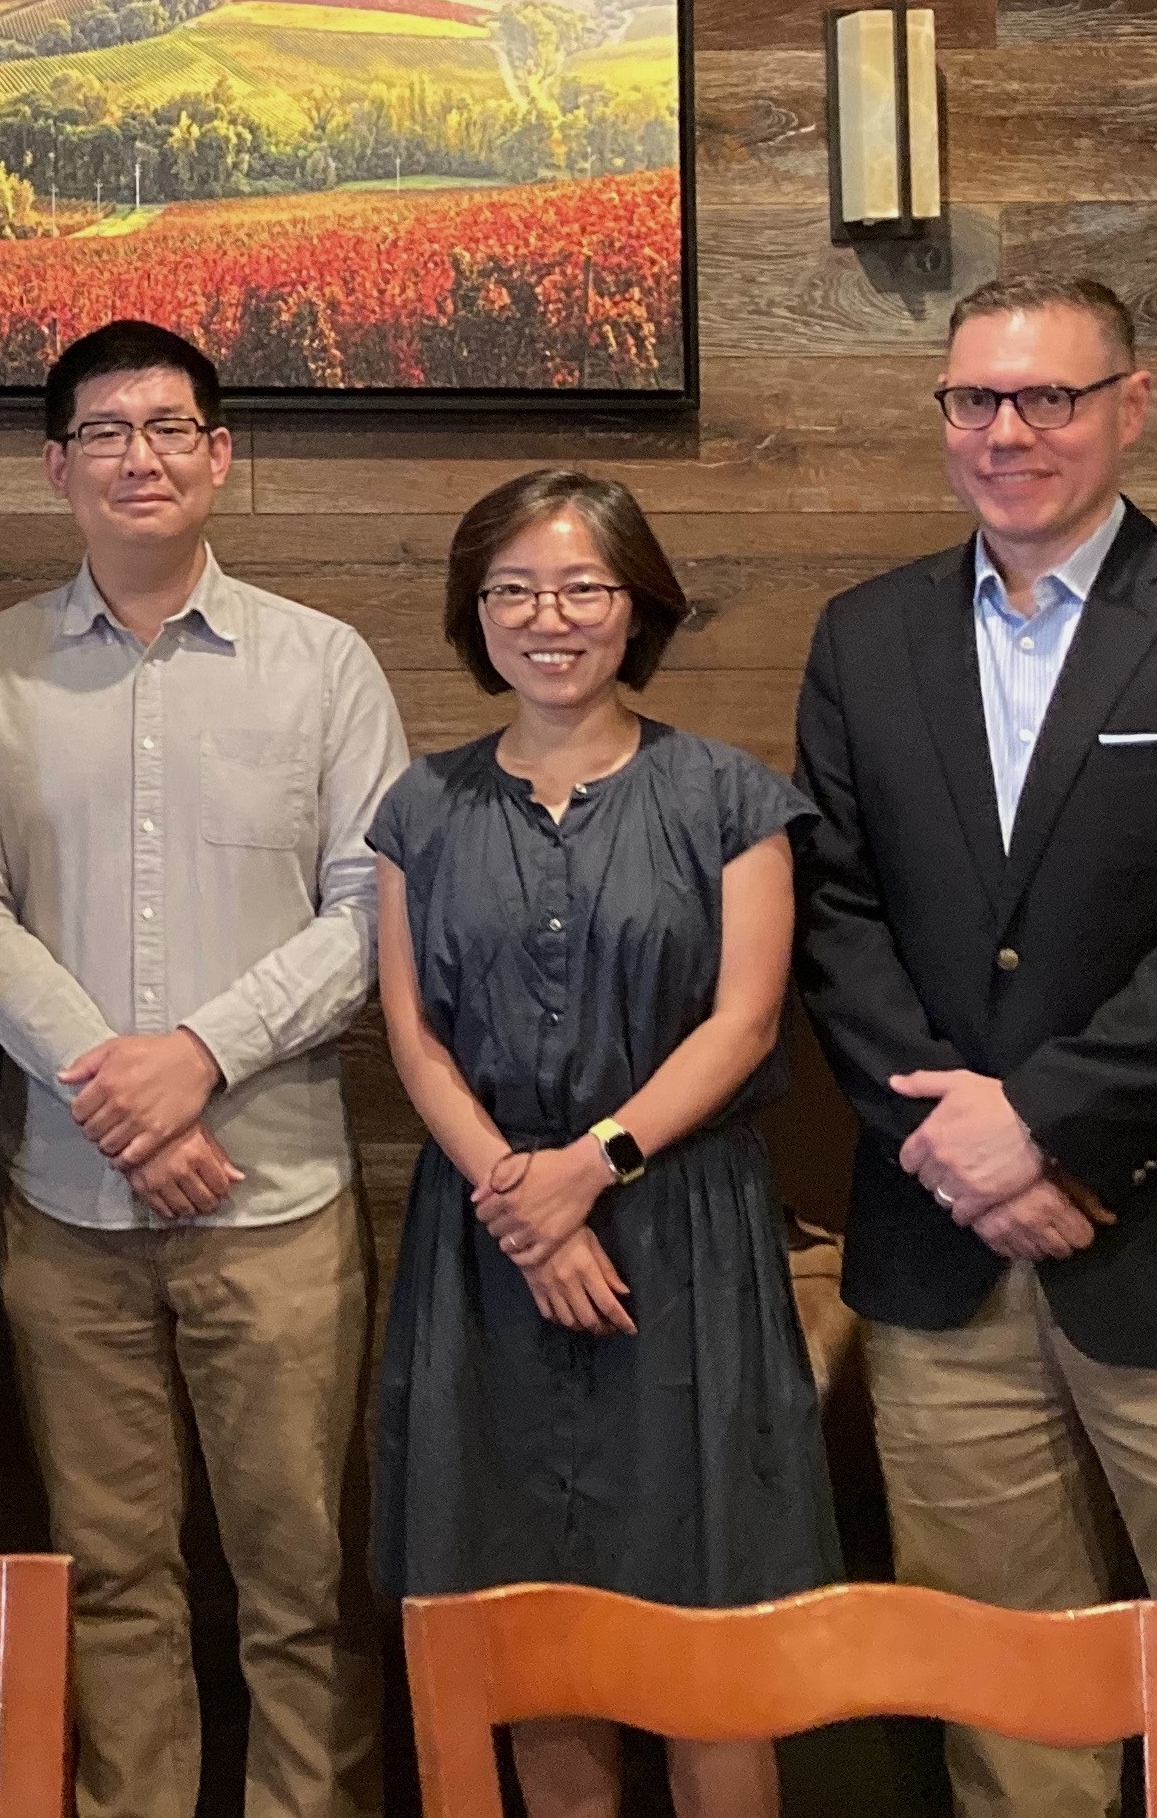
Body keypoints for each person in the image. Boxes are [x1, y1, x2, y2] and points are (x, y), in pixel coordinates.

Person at [793, 275, 1157, 1818]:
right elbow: (835, 920)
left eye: (1046, 396)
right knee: (994, 1681)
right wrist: (963, 1156)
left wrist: (1039, 1128)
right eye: (973, 399)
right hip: (944, 1255)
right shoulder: (863, 637)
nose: (1006, 431)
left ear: (1129, 402)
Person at [0, 320, 406, 1818]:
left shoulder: (321, 662)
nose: (136, 455)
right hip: (65, 1213)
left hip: (272, 1203)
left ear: (217, 454)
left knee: (299, 1585)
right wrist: (115, 1085)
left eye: (167, 427)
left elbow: (371, 910)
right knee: (111, 1580)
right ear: (53, 464)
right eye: (103, 431)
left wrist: (199, 1056)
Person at [372, 469, 838, 1818]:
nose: (547, 615)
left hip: (680, 1237)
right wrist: (522, 1201)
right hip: (489, 1239)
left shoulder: (727, 797)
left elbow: (744, 1023)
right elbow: (412, 1036)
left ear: (636, 607)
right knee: (532, 1619)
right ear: (475, 615)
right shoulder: (421, 807)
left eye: (581, 586)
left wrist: (587, 1170)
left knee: (707, 1622)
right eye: (512, 588)